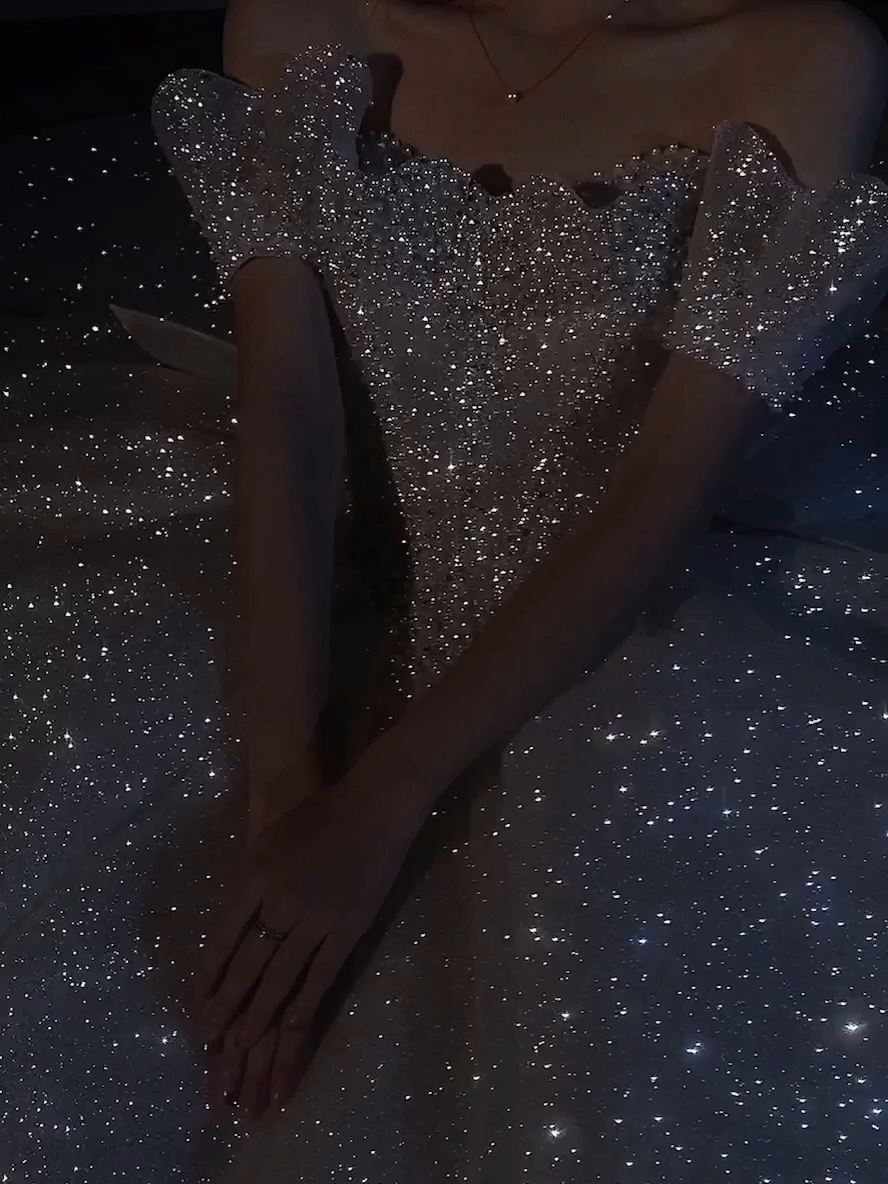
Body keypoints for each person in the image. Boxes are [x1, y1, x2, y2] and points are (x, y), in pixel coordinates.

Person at [3, 0, 888, 1180]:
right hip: (347, 577)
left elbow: (664, 482)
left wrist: (383, 798)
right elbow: (288, 402)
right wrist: (285, 792)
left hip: (609, 636)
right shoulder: (301, 19)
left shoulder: (794, 56)